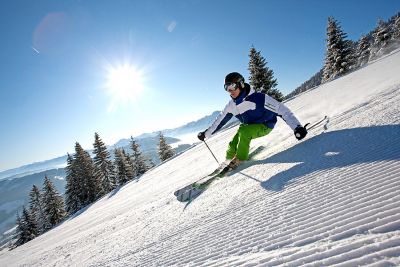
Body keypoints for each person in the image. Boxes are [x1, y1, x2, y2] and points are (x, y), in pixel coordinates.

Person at [197, 72, 307, 169]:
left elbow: (282, 110)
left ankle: (240, 159)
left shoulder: (259, 98)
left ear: (240, 84)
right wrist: (206, 134)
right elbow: (219, 121)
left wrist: (297, 127)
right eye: (226, 88)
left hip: (265, 125)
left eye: (232, 86)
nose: (230, 91)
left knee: (245, 132)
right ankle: (228, 160)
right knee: (234, 141)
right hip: (248, 126)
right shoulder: (231, 106)